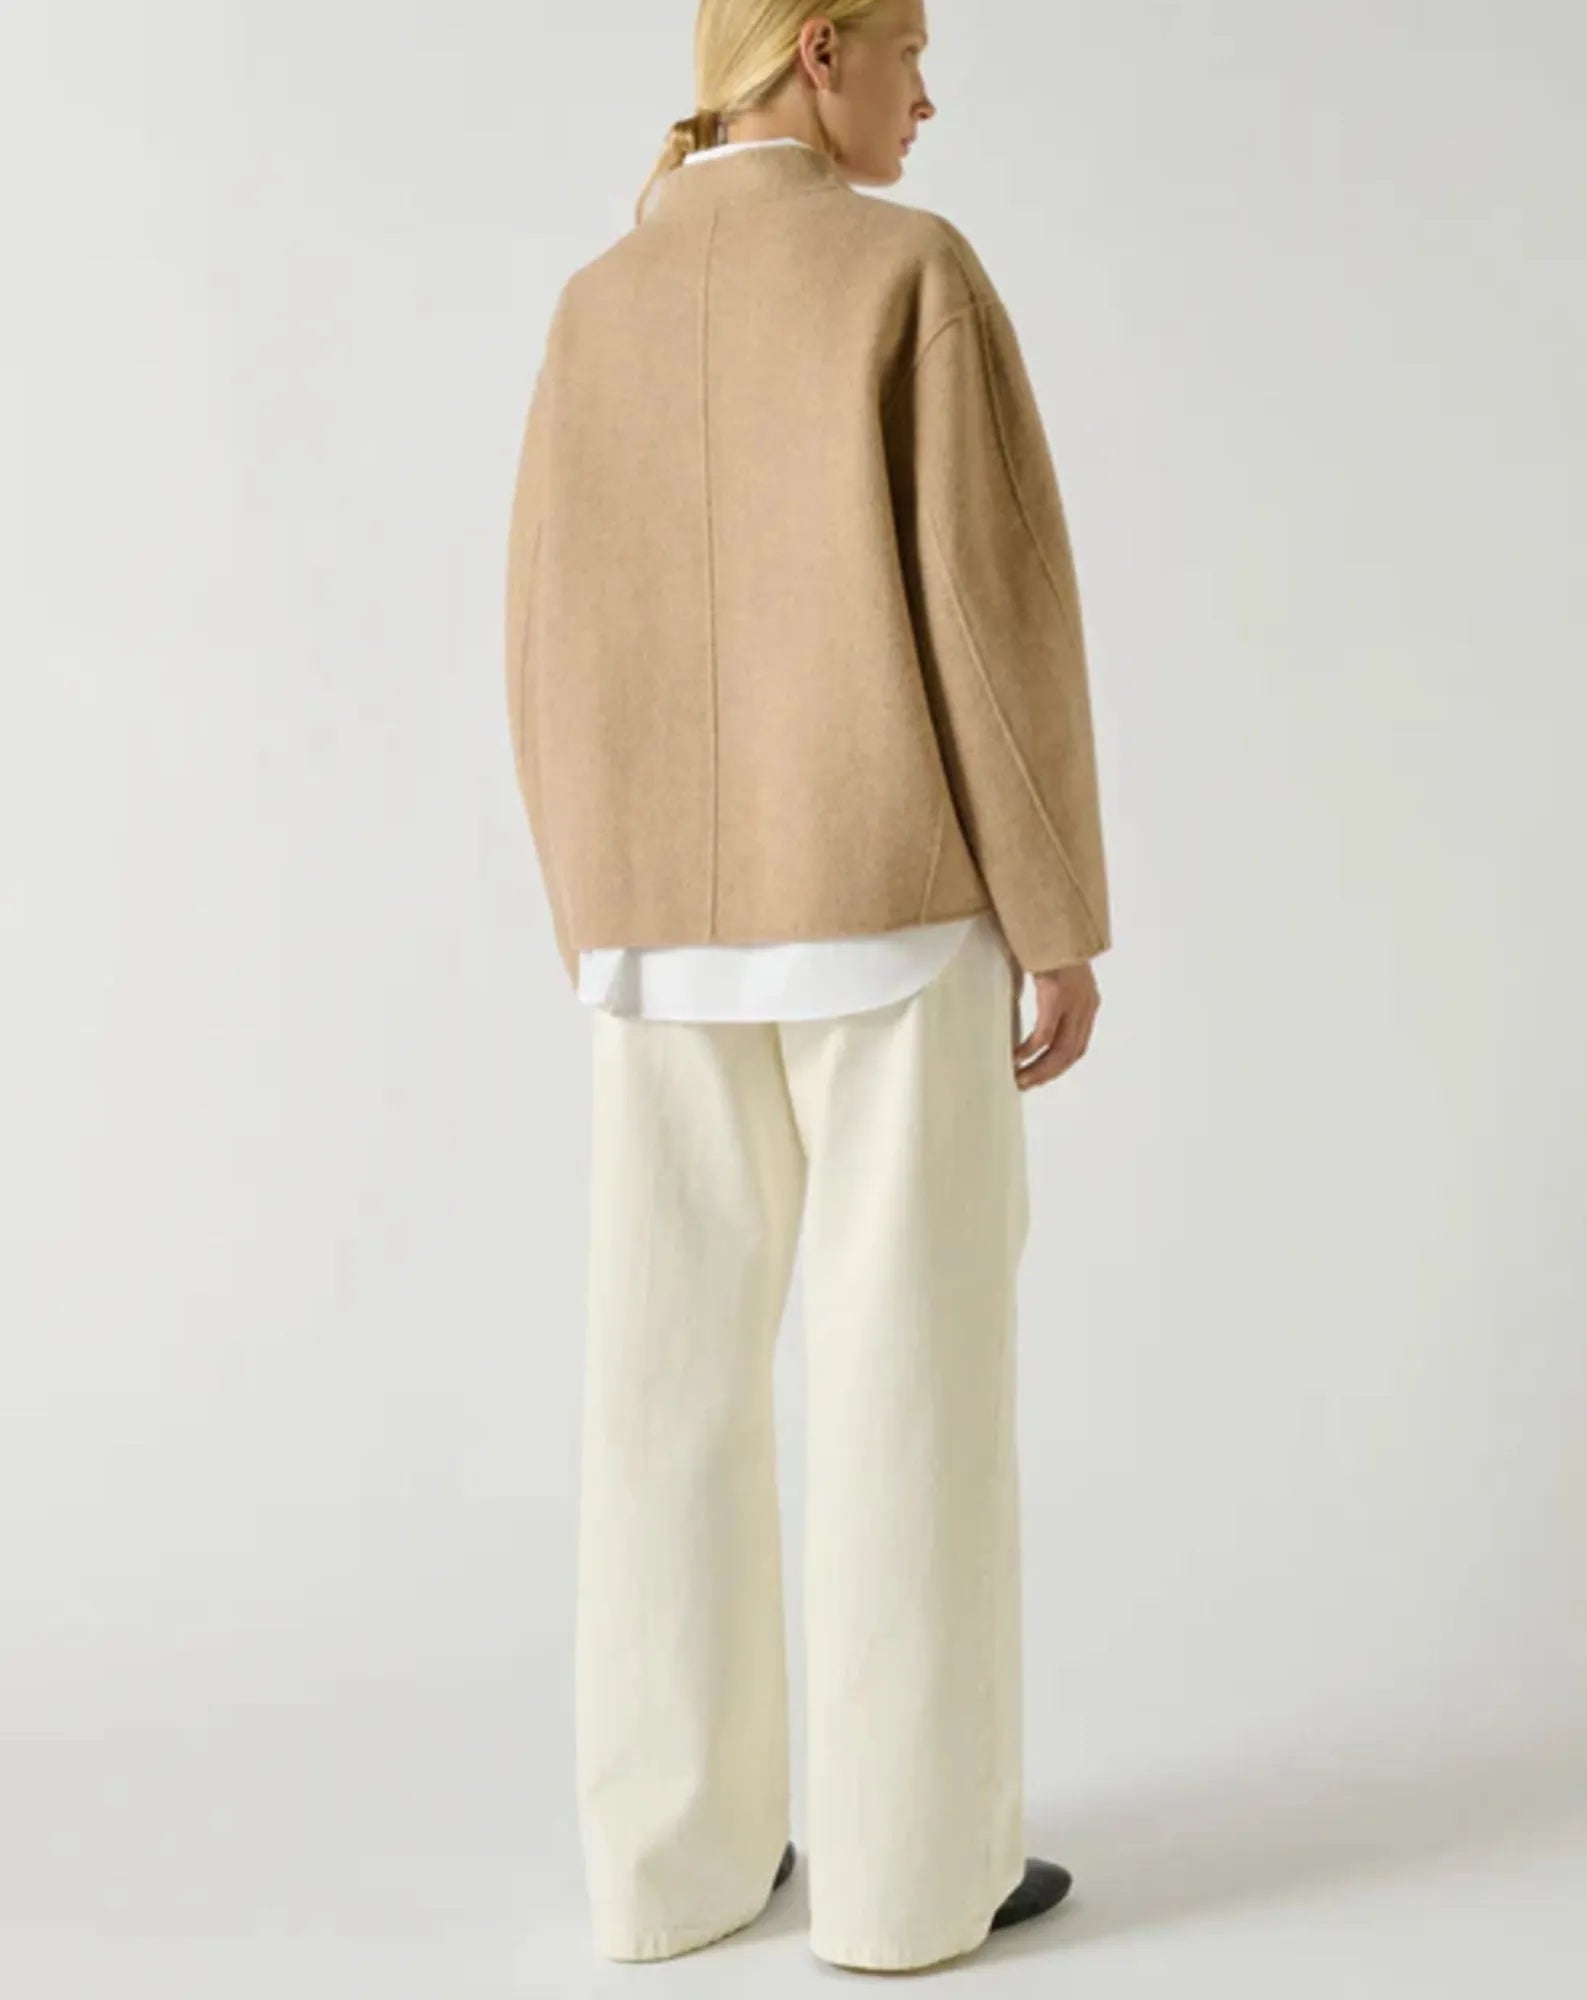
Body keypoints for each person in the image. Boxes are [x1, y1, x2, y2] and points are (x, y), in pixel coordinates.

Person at [503, 0, 1112, 1973]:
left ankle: (671, 1870)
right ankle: (911, 1883)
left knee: (660, 1398)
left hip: (656, 943)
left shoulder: (595, 306)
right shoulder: (905, 275)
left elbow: (537, 636)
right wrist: (1056, 911)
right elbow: (992, 615)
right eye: (913, 51)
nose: (931, 95)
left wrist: (595, 914)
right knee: (903, 1381)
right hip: (885, 906)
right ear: (820, 48)